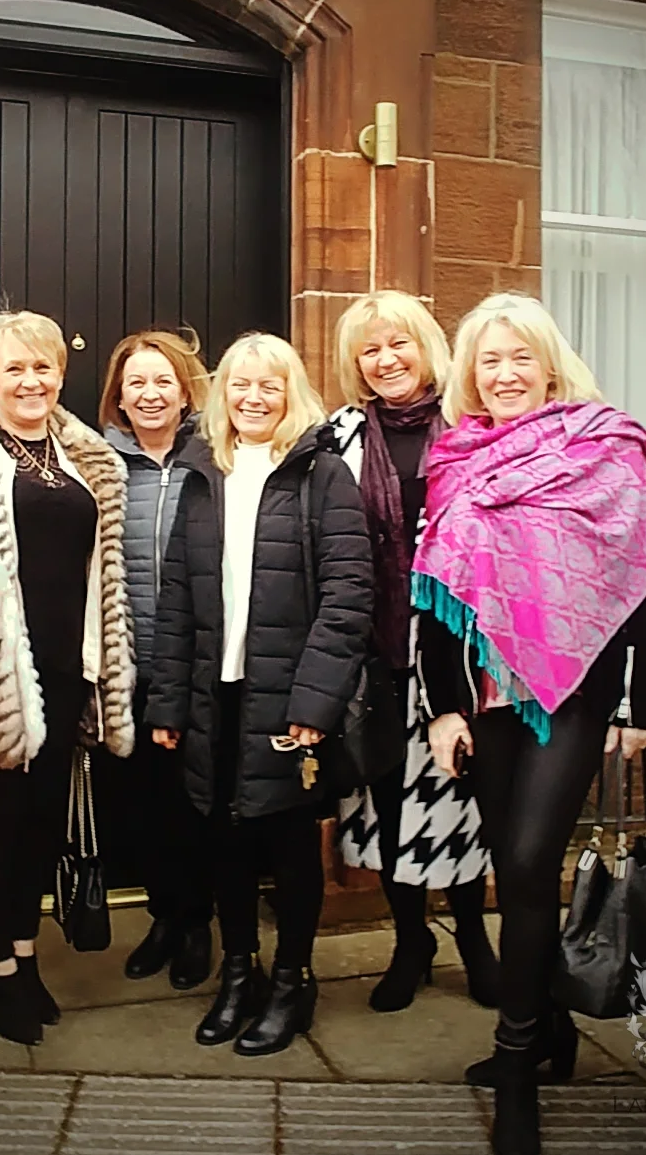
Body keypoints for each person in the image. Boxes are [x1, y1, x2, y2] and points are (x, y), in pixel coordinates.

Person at [416, 293, 646, 1155]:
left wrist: (643, 707)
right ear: (469, 374)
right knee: (513, 874)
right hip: (487, 699)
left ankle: (516, 1065)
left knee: (526, 864)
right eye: (488, 360)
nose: (505, 374)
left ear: (550, 363)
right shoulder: (452, 457)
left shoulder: (599, 447)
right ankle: (550, 1027)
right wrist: (442, 704)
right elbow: (434, 596)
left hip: (571, 694)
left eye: (519, 356)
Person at [147, 332, 373, 1056]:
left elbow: (347, 596)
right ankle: (237, 973)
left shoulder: (324, 474)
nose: (252, 397)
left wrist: (314, 702)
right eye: (240, 384)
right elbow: (176, 596)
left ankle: (291, 980)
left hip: (288, 694)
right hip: (216, 692)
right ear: (221, 394)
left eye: (268, 385)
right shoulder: (202, 472)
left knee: (290, 845)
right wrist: (167, 704)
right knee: (225, 842)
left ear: (290, 393)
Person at [0, 310, 134, 1047]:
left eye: (42, 366)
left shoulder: (86, 455)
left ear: (60, 373)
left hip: (66, 666)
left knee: (42, 821)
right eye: (14, 367)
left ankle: (26, 951)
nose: (30, 380)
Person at [331, 292, 497, 1012]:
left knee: (460, 799)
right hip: (373, 654)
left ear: (426, 346)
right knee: (389, 800)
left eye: (397, 343)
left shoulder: (471, 428)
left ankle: (470, 939)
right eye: (369, 348)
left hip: (457, 651)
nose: (385, 359)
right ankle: (410, 941)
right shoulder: (336, 436)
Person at [99, 328, 215, 989]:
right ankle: (162, 916)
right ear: (119, 393)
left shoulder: (213, 460)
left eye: (161, 380)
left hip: (197, 668)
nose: (148, 393)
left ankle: (196, 922)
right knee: (139, 807)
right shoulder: (99, 463)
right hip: (126, 667)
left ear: (183, 389)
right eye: (135, 382)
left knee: (193, 805)